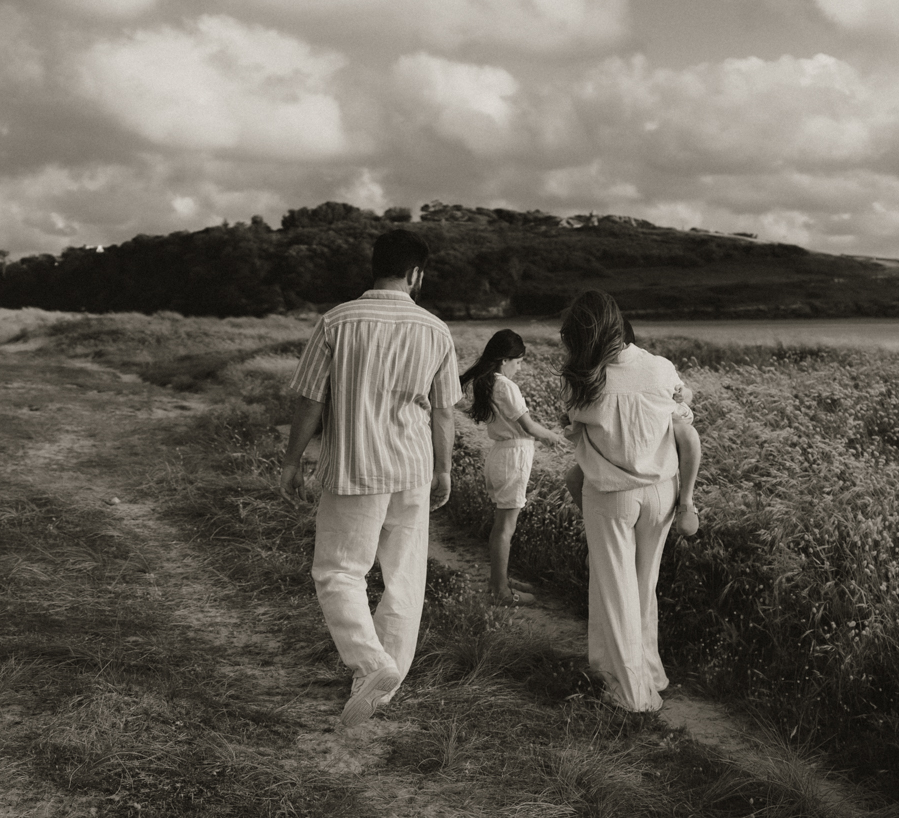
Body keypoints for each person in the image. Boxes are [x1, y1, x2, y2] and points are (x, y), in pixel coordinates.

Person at [280, 228, 462, 729]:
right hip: (412, 468)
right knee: (405, 579)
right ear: (415, 274)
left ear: (375, 267)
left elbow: (310, 399)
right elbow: (444, 411)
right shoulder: (436, 329)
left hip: (356, 467)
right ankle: (380, 691)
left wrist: (293, 459)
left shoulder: (337, 320)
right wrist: (444, 469)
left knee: (339, 572)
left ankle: (371, 665)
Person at [559, 290, 701, 712]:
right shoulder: (660, 367)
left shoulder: (581, 379)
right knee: (644, 587)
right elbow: (683, 411)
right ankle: (649, 671)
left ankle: (632, 694)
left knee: (616, 590)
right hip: (661, 492)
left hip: (611, 496)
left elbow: (572, 427)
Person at [458, 329, 566, 606]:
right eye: (518, 361)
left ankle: (500, 578)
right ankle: (500, 592)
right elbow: (528, 427)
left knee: (501, 525)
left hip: (501, 454)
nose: (520, 367)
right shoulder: (505, 385)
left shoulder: (488, 381)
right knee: (505, 527)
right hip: (513, 457)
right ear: (505, 360)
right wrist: (555, 437)